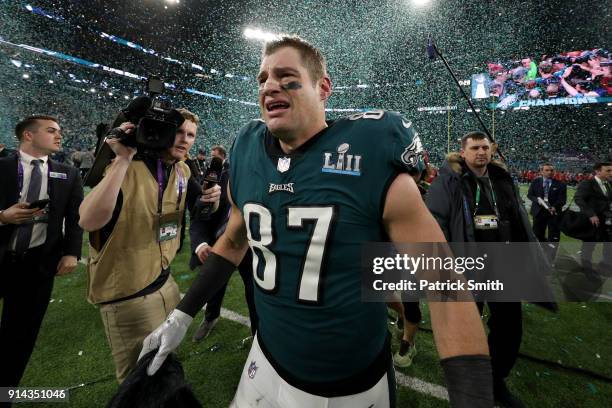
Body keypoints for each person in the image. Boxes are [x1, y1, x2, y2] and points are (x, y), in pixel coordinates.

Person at [140, 36, 493, 408]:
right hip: (265, 358)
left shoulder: (369, 150)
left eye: (285, 75)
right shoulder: (247, 149)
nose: (269, 85)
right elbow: (232, 242)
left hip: (349, 385)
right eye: (262, 79)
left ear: (323, 88)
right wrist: (181, 314)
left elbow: (445, 286)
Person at [78, 108, 221, 383]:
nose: (185, 140)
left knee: (165, 368)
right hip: (128, 294)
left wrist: (211, 199)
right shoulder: (127, 166)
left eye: (191, 135)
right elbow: (88, 220)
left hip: (166, 283)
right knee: (142, 380)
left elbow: (200, 209)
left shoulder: (181, 169)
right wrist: (122, 159)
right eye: (179, 132)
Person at [426, 131, 539, 408]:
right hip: (467, 266)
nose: (481, 152)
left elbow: (519, 218)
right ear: (462, 152)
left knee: (509, 328)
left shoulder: (501, 179)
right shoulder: (449, 181)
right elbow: (435, 223)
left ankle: (495, 379)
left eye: (486, 147)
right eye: (475, 147)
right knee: (465, 328)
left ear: (492, 150)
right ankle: (468, 385)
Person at [0, 115, 83, 396]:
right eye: (51, 131)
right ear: (28, 135)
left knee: (19, 339)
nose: (59, 135)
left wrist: (72, 252)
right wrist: (2, 217)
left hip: (38, 265)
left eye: (59, 130)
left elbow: (74, 218)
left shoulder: (68, 173)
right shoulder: (2, 167)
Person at [189, 146, 258, 341]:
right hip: (219, 244)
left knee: (254, 291)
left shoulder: (270, 179)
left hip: (251, 248)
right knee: (215, 286)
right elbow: (199, 217)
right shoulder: (219, 178)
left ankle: (258, 332)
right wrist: (201, 244)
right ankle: (211, 317)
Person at [575, 162, 612, 273]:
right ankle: (586, 267)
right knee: (589, 244)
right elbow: (579, 199)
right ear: (598, 171)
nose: (611, 173)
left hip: (607, 219)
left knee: (609, 243)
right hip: (593, 220)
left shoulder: (609, 184)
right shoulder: (588, 183)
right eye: (608, 170)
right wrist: (591, 214)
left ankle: (606, 264)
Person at [527, 163, 567, 259]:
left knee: (554, 237)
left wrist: (555, 207)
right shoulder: (535, 182)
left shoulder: (561, 184)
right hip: (538, 212)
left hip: (553, 214)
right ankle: (540, 253)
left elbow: (562, 200)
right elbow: (530, 195)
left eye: (551, 170)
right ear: (541, 171)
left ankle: (551, 257)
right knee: (537, 235)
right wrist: (538, 201)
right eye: (547, 170)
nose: (550, 172)